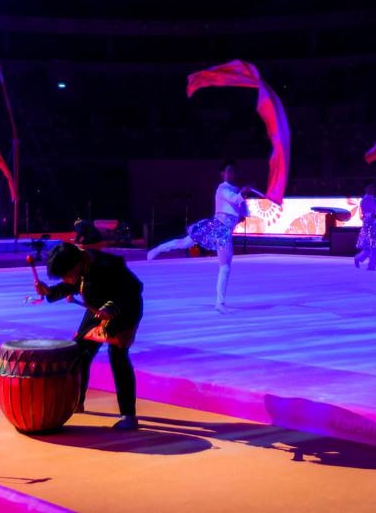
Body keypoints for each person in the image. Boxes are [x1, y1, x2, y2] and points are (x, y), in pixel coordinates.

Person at [36, 242, 143, 430]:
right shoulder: (79, 263)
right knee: (79, 352)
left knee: (117, 357)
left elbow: (134, 289)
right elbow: (75, 283)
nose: (65, 278)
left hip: (124, 309)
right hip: (97, 309)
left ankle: (129, 415)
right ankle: (76, 401)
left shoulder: (107, 265)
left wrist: (111, 308)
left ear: (76, 265)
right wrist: (50, 292)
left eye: (65, 274)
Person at [146, 160, 262, 313]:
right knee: (184, 243)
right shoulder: (222, 188)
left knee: (225, 266)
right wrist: (243, 192)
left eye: (234, 170)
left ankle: (219, 303)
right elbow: (234, 199)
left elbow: (241, 212)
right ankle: (160, 248)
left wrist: (245, 196)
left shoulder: (236, 190)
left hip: (225, 233)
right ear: (223, 174)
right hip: (214, 226)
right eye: (229, 170)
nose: (233, 173)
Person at [354, 182, 376, 270]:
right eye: (370, 188)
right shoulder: (364, 200)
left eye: (373, 188)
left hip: (375, 226)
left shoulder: (375, 200)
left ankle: (371, 266)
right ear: (366, 189)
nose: (372, 189)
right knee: (368, 247)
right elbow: (364, 213)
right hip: (368, 226)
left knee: (375, 246)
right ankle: (358, 258)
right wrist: (372, 216)